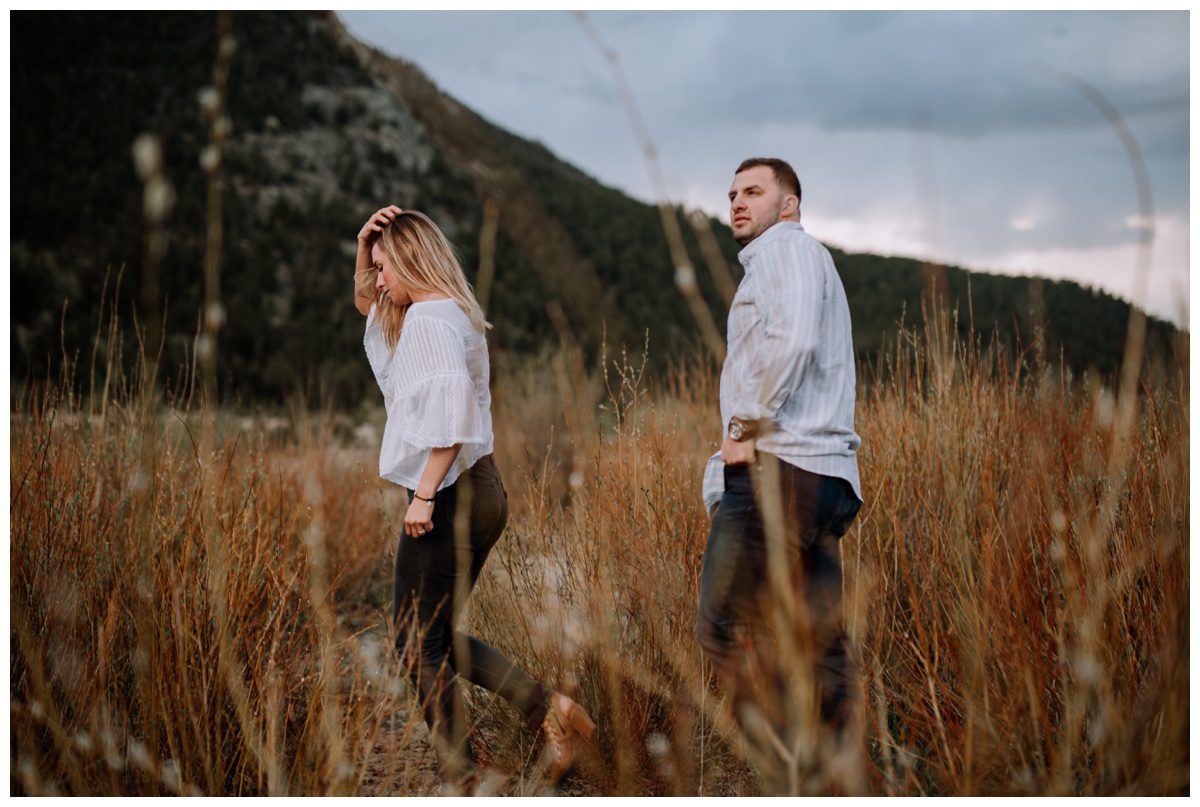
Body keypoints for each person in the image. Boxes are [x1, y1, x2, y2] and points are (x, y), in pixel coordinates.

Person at [353, 206, 595, 791]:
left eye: (385, 267)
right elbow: (368, 307)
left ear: (411, 260)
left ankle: (467, 776)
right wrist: (365, 246)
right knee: (430, 638)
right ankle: (550, 713)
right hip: (481, 488)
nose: (378, 281)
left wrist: (424, 497)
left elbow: (452, 413)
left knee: (414, 647)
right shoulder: (447, 310)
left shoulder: (430, 321)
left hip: (451, 490)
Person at [695, 159, 864, 791]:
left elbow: (789, 342)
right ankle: (841, 779)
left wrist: (744, 428)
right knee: (822, 649)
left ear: (787, 205)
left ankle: (791, 771)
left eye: (753, 192)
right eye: (732, 194)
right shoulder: (802, 259)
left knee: (720, 626)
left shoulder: (784, 251)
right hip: (822, 477)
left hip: (781, 470)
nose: (737, 203)